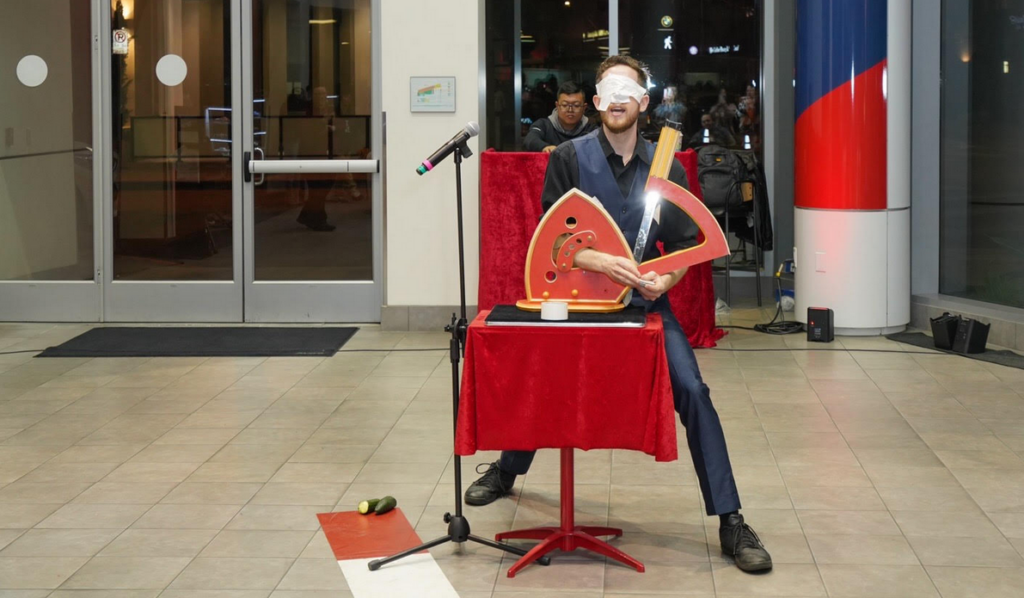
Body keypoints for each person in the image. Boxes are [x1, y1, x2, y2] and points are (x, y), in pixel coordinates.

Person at [465, 55, 773, 574]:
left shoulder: (665, 165)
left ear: (643, 103)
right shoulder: (568, 157)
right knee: (546, 378)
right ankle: (507, 468)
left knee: (694, 391)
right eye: (607, 91)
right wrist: (594, 257)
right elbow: (551, 239)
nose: (616, 102)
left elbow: (680, 250)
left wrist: (663, 278)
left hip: (645, 306)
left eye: (627, 92)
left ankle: (731, 518)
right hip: (578, 303)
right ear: (597, 100)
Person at [523, 81, 597, 153]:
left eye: (576, 105)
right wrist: (544, 147)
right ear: (557, 106)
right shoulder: (543, 125)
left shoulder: (592, 130)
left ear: (584, 108)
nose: (570, 110)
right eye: (565, 105)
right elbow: (530, 139)